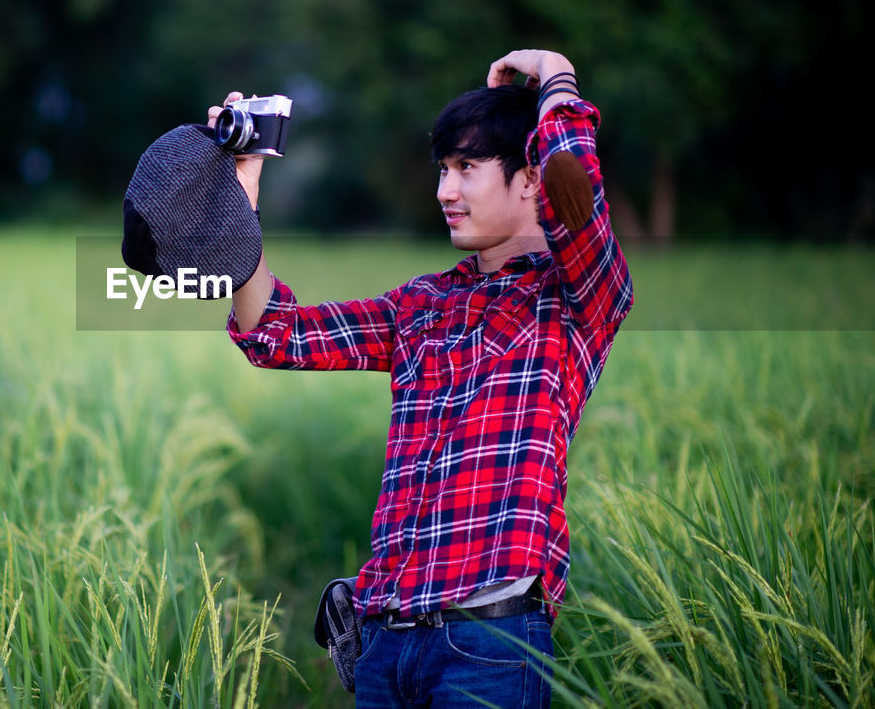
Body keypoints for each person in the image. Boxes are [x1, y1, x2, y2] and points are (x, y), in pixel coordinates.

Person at [211, 48, 633, 708]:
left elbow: (575, 186)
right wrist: (243, 199)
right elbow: (275, 333)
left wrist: (556, 74)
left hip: (491, 646)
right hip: (384, 646)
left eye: (468, 168)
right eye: (442, 169)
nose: (445, 191)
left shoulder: (579, 298)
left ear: (529, 179)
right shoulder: (421, 304)